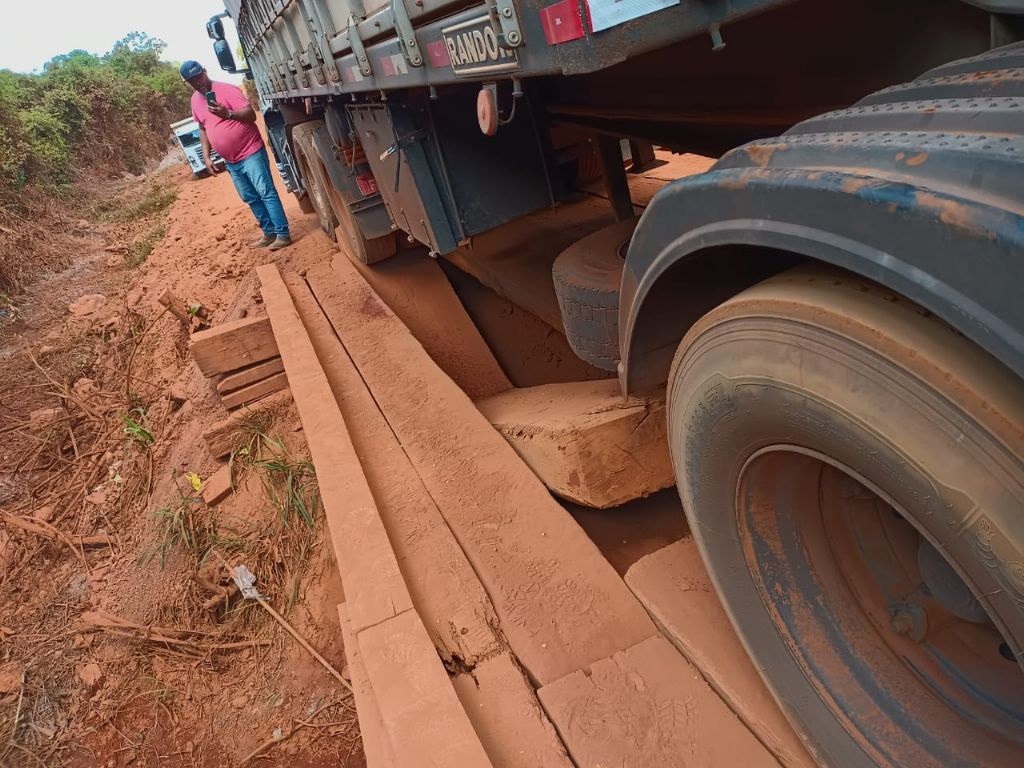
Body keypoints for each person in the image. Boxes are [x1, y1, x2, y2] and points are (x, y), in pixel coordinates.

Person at [180, 61, 291, 250]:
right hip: (231, 161)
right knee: (250, 197)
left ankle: (283, 234)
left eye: (199, 76)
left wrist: (228, 114)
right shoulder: (195, 101)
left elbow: (250, 115)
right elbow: (202, 127)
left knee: (265, 192)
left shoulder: (227, 89)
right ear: (187, 83)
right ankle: (269, 232)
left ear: (205, 72)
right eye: (192, 81)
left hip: (251, 151)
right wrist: (206, 157)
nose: (198, 82)